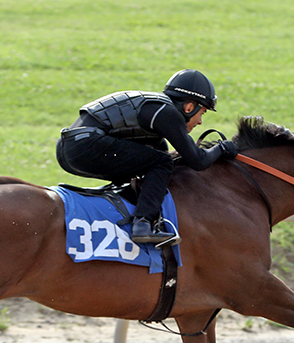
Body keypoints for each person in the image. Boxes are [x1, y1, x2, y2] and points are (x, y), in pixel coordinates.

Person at [56, 69, 237, 244]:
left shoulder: (155, 110)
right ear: (190, 107)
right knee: (161, 162)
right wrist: (221, 148)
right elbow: (198, 160)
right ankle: (143, 224)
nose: (200, 121)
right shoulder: (166, 113)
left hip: (69, 147)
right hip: (84, 146)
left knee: (156, 160)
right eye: (202, 112)